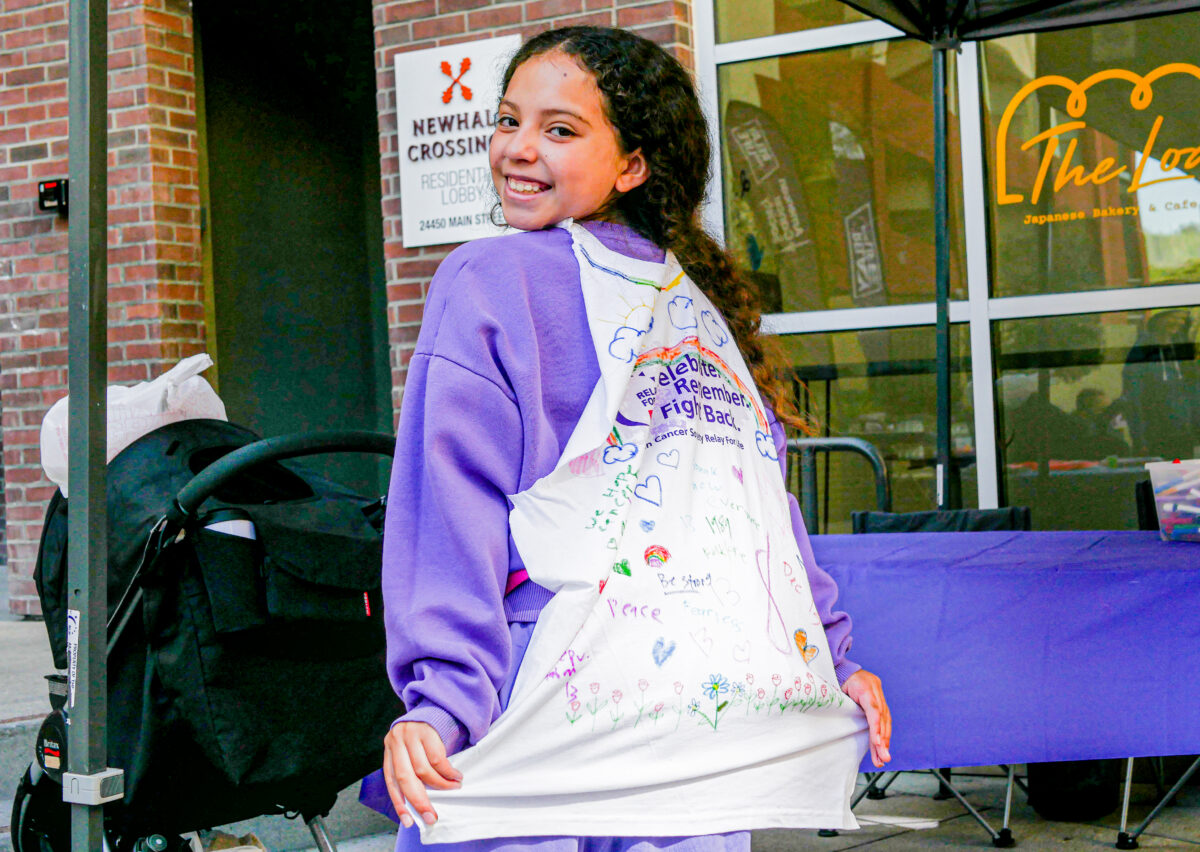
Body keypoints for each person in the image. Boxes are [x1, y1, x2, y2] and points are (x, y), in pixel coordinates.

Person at [366, 26, 891, 851]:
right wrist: (836, 661)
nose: (518, 149)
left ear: (633, 165)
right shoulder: (703, 313)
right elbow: (761, 514)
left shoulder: (487, 280)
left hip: (548, 695)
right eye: (509, 121)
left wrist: (443, 702)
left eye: (561, 129)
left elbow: (449, 509)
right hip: (700, 726)